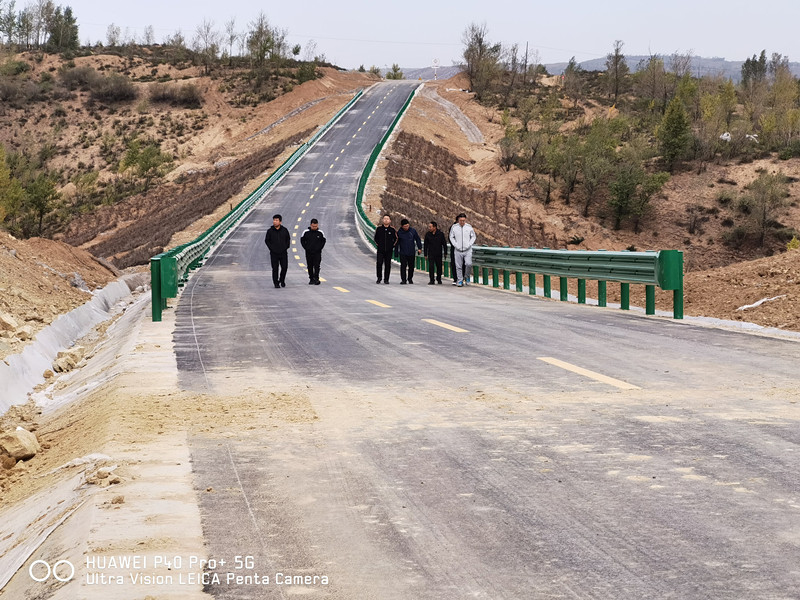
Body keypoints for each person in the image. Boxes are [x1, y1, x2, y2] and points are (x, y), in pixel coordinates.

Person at [448, 213, 476, 287]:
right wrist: (455, 245)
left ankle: (467, 276)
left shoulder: (469, 227)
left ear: (465, 220)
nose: (462, 222)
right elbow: (451, 237)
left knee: (468, 264)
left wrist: (469, 244)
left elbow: (473, 237)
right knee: (458, 266)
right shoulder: (454, 227)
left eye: (463, 220)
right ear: (458, 220)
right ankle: (460, 280)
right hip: (458, 250)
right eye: (461, 220)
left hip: (467, 249)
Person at [264, 214, 291, 288]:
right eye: (274, 220)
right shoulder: (270, 231)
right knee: (275, 268)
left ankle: (282, 280)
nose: (275, 222)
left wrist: (286, 247)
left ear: (280, 222)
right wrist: (272, 248)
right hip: (274, 253)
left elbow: (288, 239)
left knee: (284, 267)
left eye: (276, 220)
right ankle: (276, 283)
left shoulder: (284, 230)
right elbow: (267, 241)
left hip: (283, 252)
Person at [396, 218, 422, 284]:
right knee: (403, 266)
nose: (406, 227)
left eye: (407, 226)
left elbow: (417, 239)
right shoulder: (399, 232)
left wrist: (419, 248)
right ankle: (403, 280)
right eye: (405, 226)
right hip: (403, 252)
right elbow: (397, 243)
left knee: (411, 266)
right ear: (402, 226)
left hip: (411, 252)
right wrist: (396, 252)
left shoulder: (413, 231)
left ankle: (410, 278)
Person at [300, 218, 326, 285]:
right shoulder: (306, 232)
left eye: (316, 226)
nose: (314, 227)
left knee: (317, 265)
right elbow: (302, 240)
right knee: (310, 265)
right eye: (313, 226)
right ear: (311, 225)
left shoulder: (320, 233)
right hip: (308, 252)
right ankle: (311, 278)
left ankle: (316, 278)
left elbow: (323, 241)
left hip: (317, 253)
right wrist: (306, 248)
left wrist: (319, 248)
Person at [373, 214, 398, 284]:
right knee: (379, 263)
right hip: (380, 250)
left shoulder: (392, 230)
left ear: (390, 221)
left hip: (389, 251)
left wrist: (392, 246)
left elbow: (396, 239)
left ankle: (386, 279)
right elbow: (375, 238)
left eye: (387, 219)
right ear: (382, 220)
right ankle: (379, 278)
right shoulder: (379, 229)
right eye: (384, 219)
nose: (386, 220)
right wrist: (378, 245)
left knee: (387, 265)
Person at [447, 216, 461, 285]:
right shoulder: (453, 228)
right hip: (455, 248)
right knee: (454, 263)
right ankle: (456, 279)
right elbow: (450, 238)